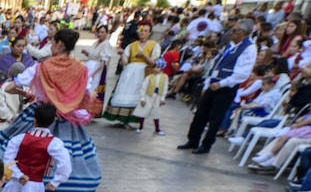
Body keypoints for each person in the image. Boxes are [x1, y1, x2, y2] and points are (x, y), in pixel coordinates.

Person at [0, 28, 102, 192]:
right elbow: (87, 95)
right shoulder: (81, 69)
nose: (50, 46)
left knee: (23, 154)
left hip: (40, 117)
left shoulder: (42, 67)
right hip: (67, 122)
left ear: (59, 44)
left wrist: (29, 93)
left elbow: (13, 86)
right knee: (59, 158)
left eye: (53, 42)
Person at [178, 19, 256, 154]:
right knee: (200, 113)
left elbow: (242, 73)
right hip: (214, 82)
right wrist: (209, 82)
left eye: (235, 30)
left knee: (215, 118)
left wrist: (221, 83)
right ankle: (193, 140)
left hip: (226, 87)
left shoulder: (248, 48)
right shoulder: (230, 45)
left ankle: (206, 145)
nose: (232, 33)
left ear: (244, 32)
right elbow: (217, 64)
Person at [103, 26, 160, 126]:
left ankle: (129, 120)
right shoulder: (132, 45)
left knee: (137, 94)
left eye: (145, 31)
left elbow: (154, 62)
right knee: (123, 92)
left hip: (142, 72)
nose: (142, 33)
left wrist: (144, 56)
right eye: (141, 30)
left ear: (149, 33)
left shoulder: (154, 45)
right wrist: (121, 54)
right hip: (129, 72)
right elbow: (125, 62)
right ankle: (121, 119)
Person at [137, 59, 169, 135]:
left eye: (158, 67)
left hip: (157, 97)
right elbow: (144, 88)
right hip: (148, 96)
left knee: (156, 113)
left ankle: (157, 129)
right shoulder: (149, 77)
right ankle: (140, 127)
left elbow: (165, 88)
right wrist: (142, 98)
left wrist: (162, 99)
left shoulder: (165, 77)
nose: (155, 69)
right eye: (154, 67)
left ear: (162, 68)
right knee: (143, 111)